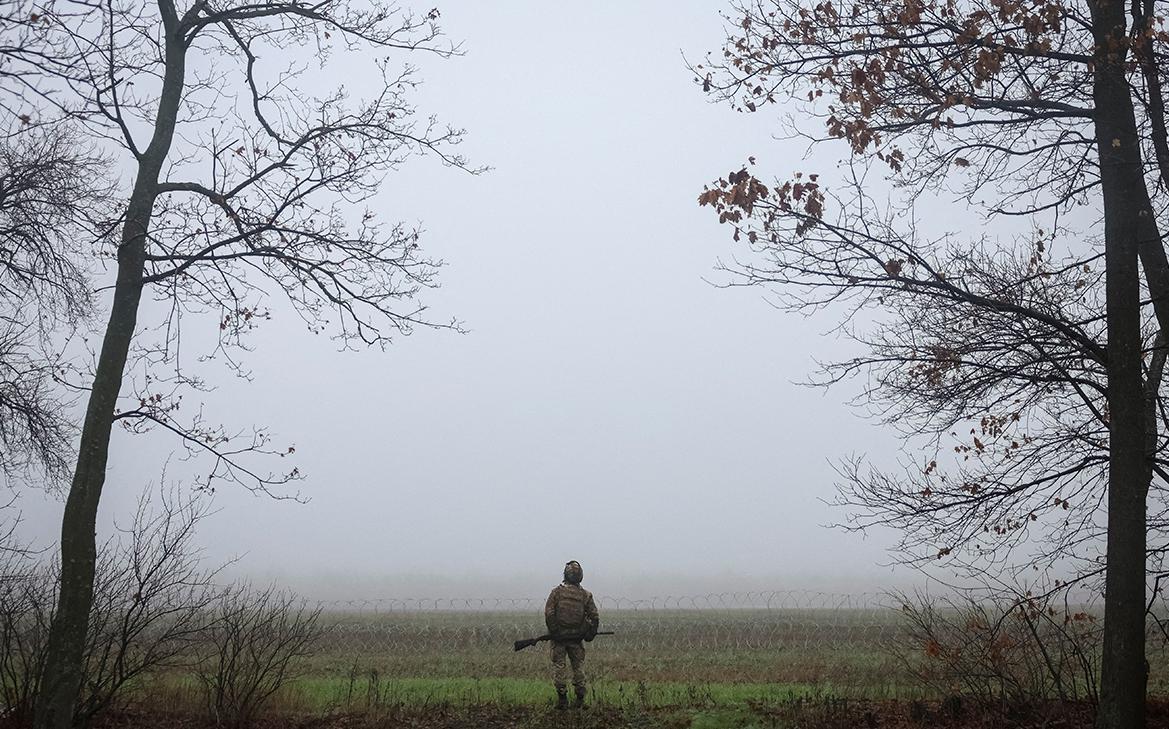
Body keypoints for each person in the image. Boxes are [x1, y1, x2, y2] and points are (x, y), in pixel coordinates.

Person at [544, 560, 600, 709]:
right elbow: (594, 617)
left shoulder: (556, 592)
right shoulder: (585, 595)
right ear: (580, 576)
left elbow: (549, 613)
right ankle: (580, 699)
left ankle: (562, 700)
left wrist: (555, 632)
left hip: (559, 640)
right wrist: (589, 635)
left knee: (559, 667)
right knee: (578, 668)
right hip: (576, 639)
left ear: (565, 575)